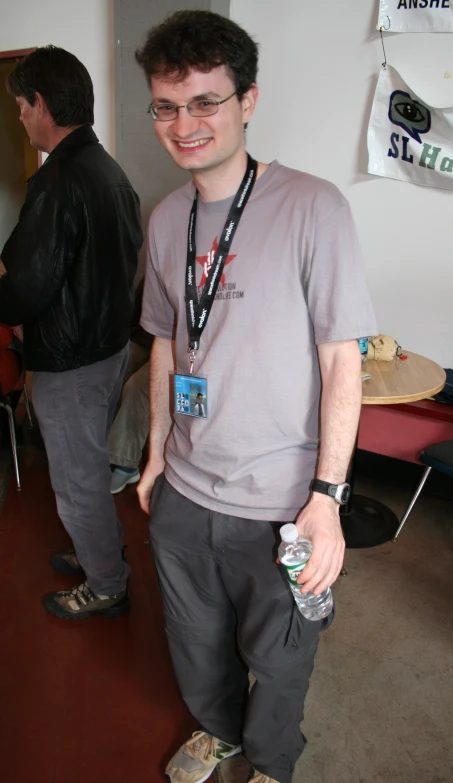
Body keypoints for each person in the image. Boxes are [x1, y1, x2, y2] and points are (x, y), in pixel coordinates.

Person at [135, 10, 377, 783]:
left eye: (207, 101)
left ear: (248, 101)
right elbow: (168, 344)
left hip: (281, 503)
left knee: (279, 659)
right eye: (168, 105)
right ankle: (217, 730)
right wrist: (153, 457)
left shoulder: (313, 207)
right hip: (185, 490)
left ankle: (272, 761)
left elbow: (343, 361)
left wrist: (327, 498)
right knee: (194, 638)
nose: (186, 123)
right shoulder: (166, 218)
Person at [0, 46, 143, 619]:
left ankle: (107, 583)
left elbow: (22, 289)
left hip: (70, 359)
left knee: (77, 479)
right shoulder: (109, 172)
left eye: (19, 106)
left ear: (41, 103)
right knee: (87, 467)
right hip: (107, 348)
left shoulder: (57, 181)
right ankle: (99, 551)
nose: (19, 117)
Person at [108, 278, 153, 494]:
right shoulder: (155, 273)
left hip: (178, 351)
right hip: (144, 341)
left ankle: (126, 463)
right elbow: (132, 311)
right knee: (114, 371)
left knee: (137, 388)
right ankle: (102, 446)